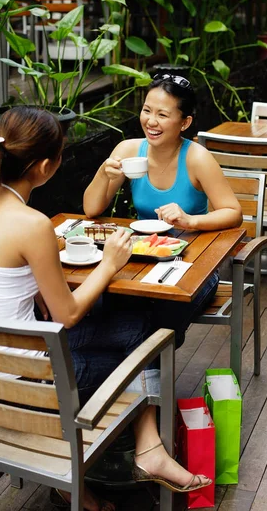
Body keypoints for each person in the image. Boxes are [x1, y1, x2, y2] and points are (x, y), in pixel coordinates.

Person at [0, 106, 212, 511]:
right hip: (28, 383)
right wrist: (110, 263)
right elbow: (67, 315)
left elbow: (4, 274)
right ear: (44, 166)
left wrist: (48, 254)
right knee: (151, 340)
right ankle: (148, 452)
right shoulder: (31, 224)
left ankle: (119, 462)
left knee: (131, 326)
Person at [84, 73, 243, 348]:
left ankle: (144, 370)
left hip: (193, 266)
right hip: (139, 260)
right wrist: (102, 172)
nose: (151, 121)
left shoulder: (196, 158)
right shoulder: (129, 149)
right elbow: (91, 209)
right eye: (147, 111)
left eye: (162, 114)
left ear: (185, 122)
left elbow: (233, 212)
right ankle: (139, 371)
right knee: (107, 306)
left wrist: (190, 220)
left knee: (157, 321)